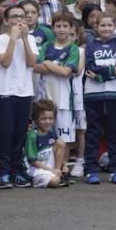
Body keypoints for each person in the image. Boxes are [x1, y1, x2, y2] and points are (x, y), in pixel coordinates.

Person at [0, 4, 40, 189]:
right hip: (5, 91)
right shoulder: (1, 39)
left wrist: (25, 39)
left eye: (22, 16)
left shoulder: (31, 38)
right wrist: (13, 39)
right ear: (6, 21)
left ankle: (16, 170)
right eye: (14, 16)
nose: (19, 20)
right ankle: (2, 172)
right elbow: (5, 62)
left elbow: (31, 63)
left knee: (20, 132)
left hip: (24, 91)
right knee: (5, 132)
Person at [83, 12, 116, 185]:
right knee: (93, 132)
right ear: (96, 27)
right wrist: (111, 71)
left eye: (109, 25)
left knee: (114, 132)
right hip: (93, 95)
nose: (106, 28)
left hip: (114, 94)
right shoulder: (90, 45)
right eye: (102, 25)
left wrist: (99, 76)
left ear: (114, 26)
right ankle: (91, 170)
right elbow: (90, 66)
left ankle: (115, 169)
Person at [35, 12, 84, 174]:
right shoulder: (46, 46)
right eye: (58, 26)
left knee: (64, 138)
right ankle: (46, 168)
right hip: (45, 99)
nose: (62, 29)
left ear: (71, 28)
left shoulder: (73, 49)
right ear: (53, 27)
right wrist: (57, 66)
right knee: (44, 135)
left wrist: (48, 63)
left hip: (64, 100)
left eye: (65, 26)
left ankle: (62, 168)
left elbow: (66, 72)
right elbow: (37, 67)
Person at [23, 99, 68, 188]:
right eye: (43, 119)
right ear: (36, 120)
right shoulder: (32, 136)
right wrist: (51, 170)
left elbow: (58, 152)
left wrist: (64, 165)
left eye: (50, 118)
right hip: (37, 169)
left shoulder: (51, 133)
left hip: (49, 167)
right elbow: (33, 161)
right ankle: (55, 176)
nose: (47, 121)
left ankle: (57, 173)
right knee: (55, 182)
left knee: (61, 143)